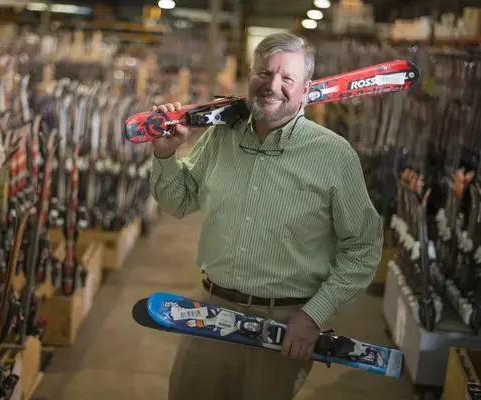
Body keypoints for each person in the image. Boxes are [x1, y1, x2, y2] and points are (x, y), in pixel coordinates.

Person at [149, 31, 383, 400]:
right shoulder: (220, 138)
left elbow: (364, 247)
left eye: (286, 78)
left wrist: (314, 315)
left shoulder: (333, 155)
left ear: (306, 87)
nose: (272, 85)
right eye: (264, 73)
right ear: (250, 74)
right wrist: (165, 156)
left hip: (284, 327)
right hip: (210, 311)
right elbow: (178, 202)